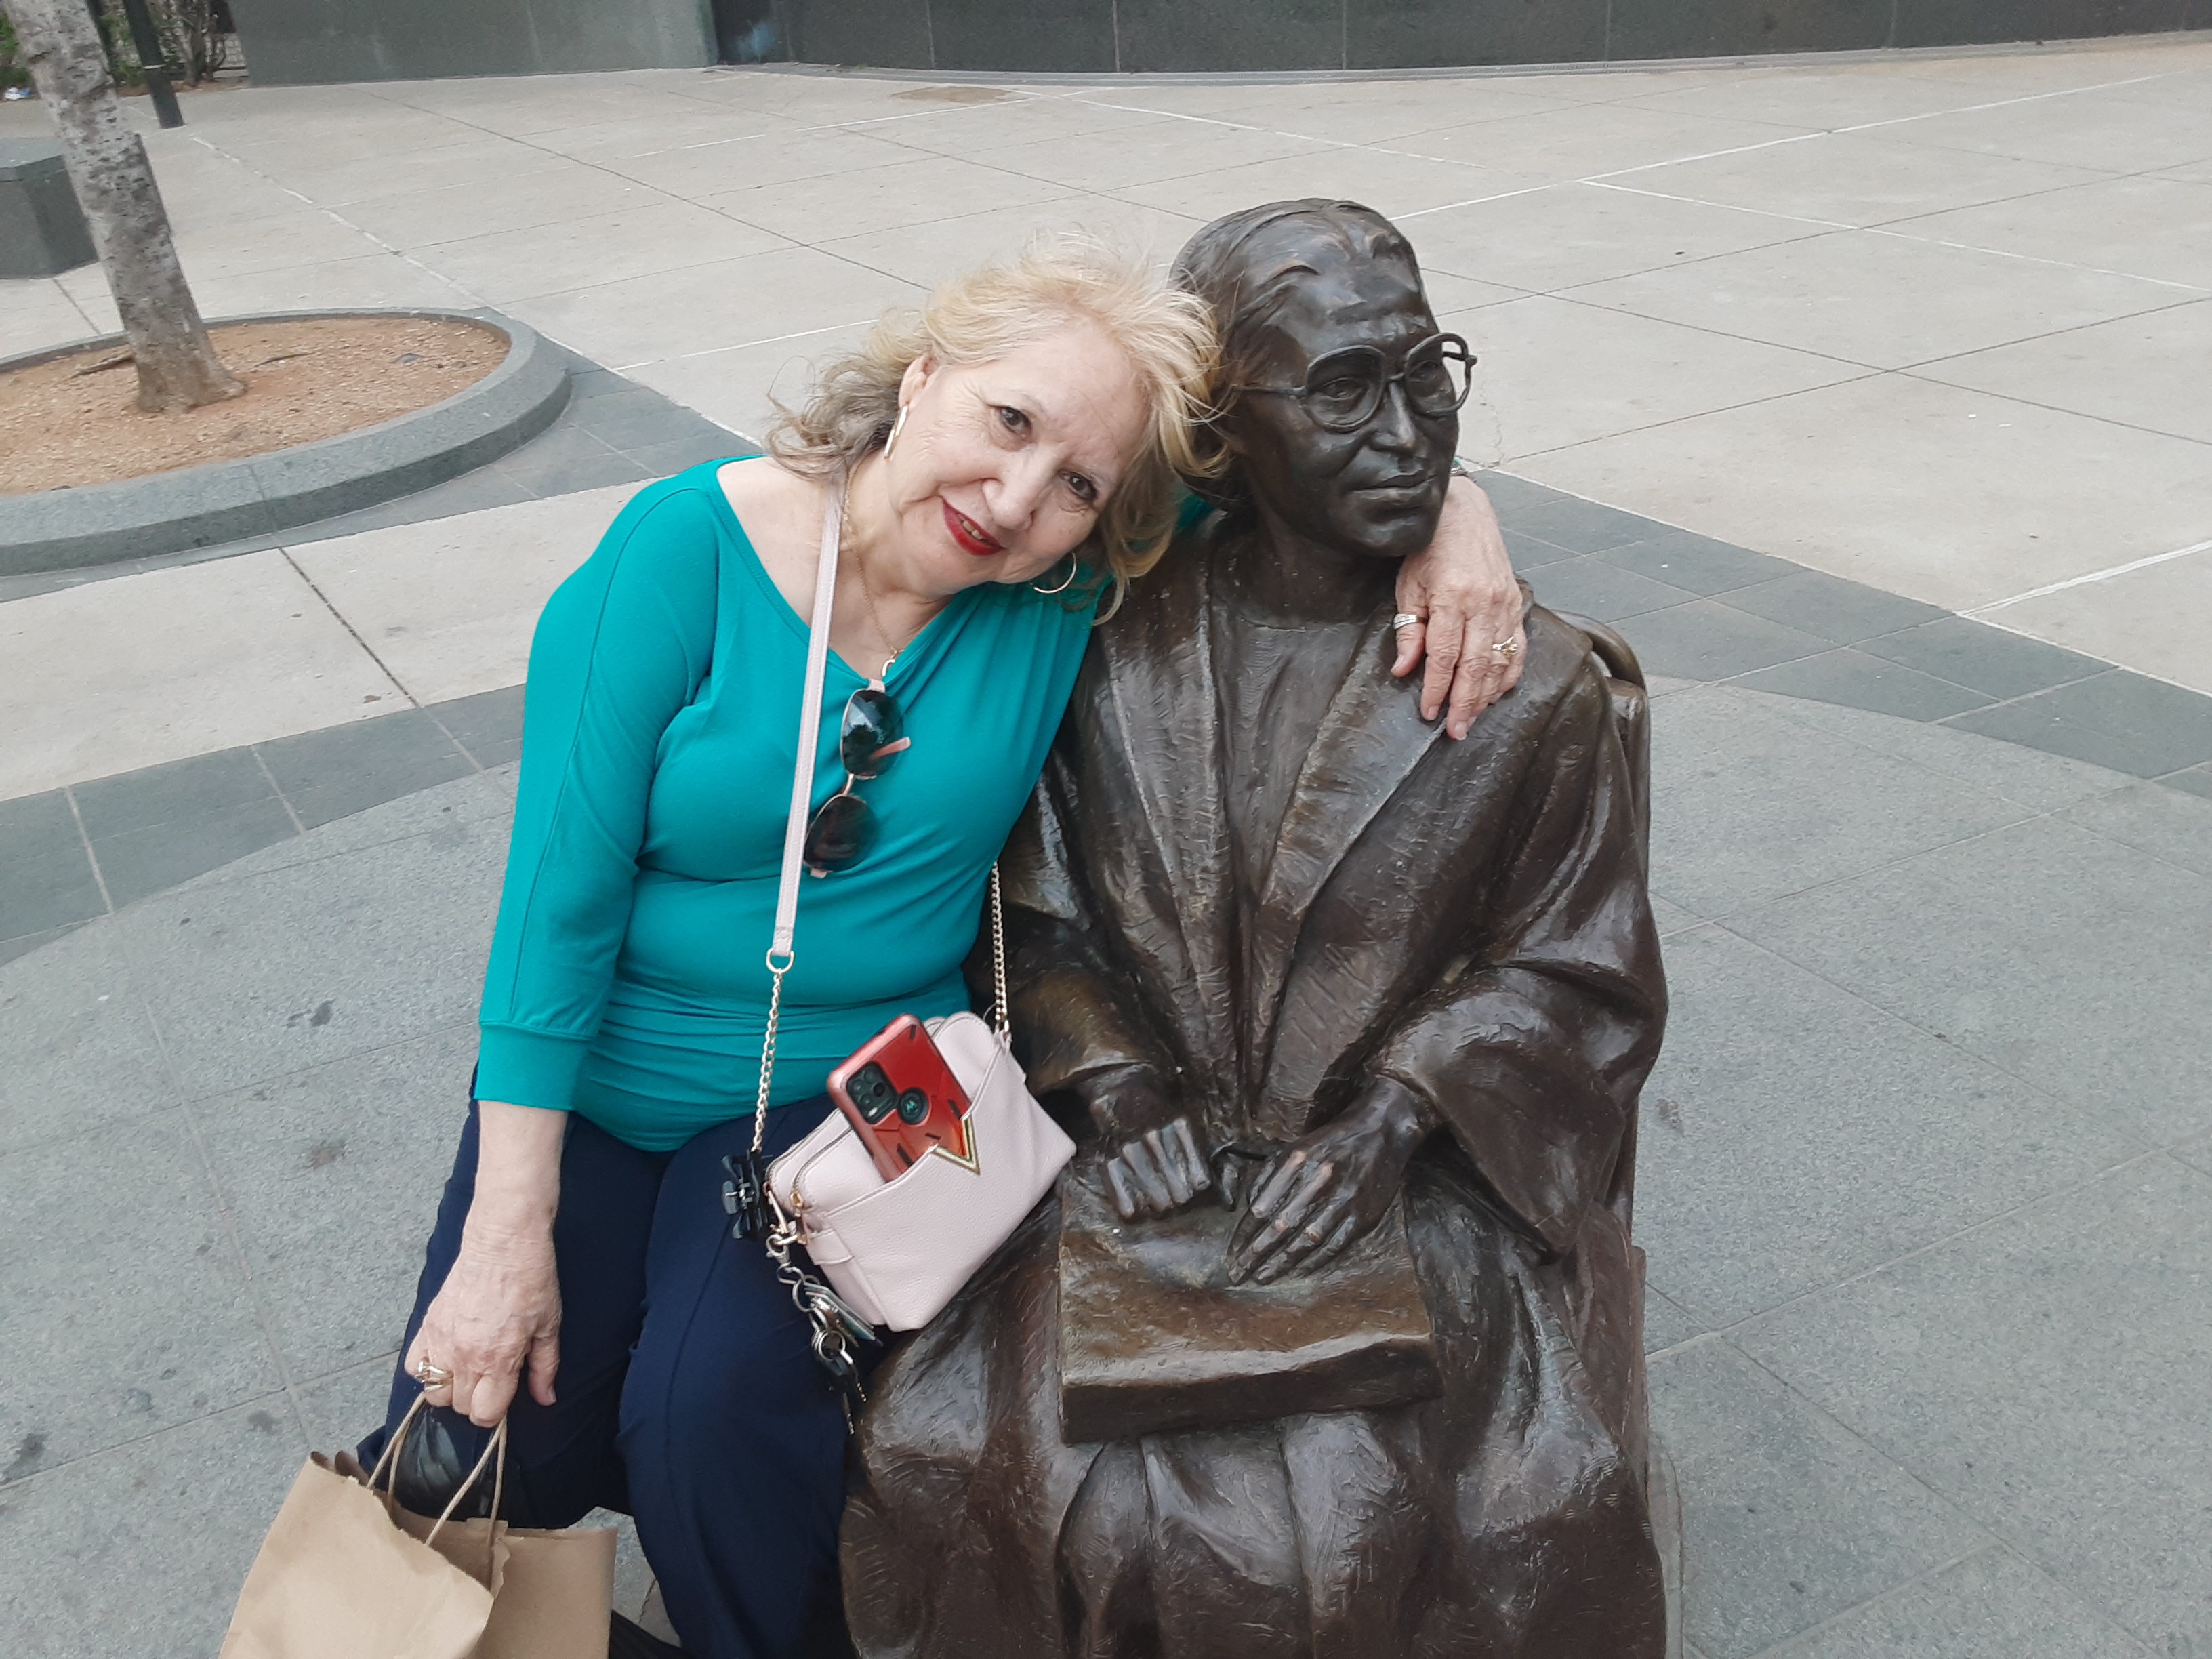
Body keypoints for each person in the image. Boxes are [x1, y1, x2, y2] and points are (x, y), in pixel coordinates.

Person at [360, 230, 1528, 1659]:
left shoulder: (1059, 593)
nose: (1018, 498)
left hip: (886, 1087)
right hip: (613, 1078)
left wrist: (1455, 508)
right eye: (1010, 422)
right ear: (924, 378)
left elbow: (1320, 483)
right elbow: (556, 908)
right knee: (486, 1426)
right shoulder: (680, 556)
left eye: (1079, 484)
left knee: (715, 1421)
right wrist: (504, 1233)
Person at [842, 202, 1668, 1658]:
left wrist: (1399, 1117)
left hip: (1419, 1180)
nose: (1411, 433)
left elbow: (1575, 974)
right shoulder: (1099, 638)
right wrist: (1117, 1082)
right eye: (1343, 390)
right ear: (1222, 435)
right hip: (1136, 1156)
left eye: (1429, 374)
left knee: (1393, 1504)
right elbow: (1026, 911)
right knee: (1016, 1465)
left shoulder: (1536, 690)